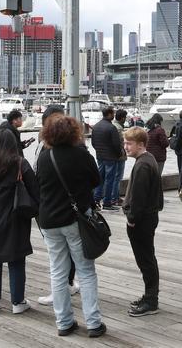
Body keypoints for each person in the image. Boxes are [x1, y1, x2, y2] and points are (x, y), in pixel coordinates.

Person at [36, 114, 106, 337]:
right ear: (74, 132)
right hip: (75, 219)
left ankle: (64, 321)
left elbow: (40, 184)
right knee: (85, 270)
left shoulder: (44, 156)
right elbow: (96, 180)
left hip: (49, 219)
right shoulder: (81, 154)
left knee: (58, 271)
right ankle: (94, 323)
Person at [0, 128, 37, 315]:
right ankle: (18, 302)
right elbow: (35, 191)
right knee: (16, 259)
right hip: (15, 216)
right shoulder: (20, 164)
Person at [33, 105, 80, 306]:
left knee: (59, 259)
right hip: (65, 211)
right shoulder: (76, 149)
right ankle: (68, 287)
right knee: (71, 257)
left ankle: (63, 294)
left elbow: (38, 179)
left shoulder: (47, 151)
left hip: (55, 211)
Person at [123, 126, 164, 317]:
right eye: (125, 143)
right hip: (149, 216)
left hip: (142, 220)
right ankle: (150, 295)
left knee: (145, 259)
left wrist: (132, 219)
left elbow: (138, 197)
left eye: (129, 143)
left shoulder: (142, 165)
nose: (126, 147)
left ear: (140, 144)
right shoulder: (149, 160)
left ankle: (151, 300)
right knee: (148, 258)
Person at [91, 107, 123, 210]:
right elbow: (116, 144)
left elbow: (93, 143)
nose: (113, 115)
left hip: (100, 156)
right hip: (111, 157)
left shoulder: (96, 127)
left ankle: (96, 200)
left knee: (100, 179)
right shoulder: (111, 128)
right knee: (110, 180)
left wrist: (99, 151)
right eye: (112, 113)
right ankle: (107, 202)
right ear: (109, 114)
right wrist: (118, 155)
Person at [113, 109, 129, 202]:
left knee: (114, 177)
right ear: (122, 118)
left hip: (112, 155)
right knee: (118, 177)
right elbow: (122, 143)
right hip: (119, 155)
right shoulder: (118, 128)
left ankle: (114, 196)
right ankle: (115, 197)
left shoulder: (113, 125)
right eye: (125, 117)